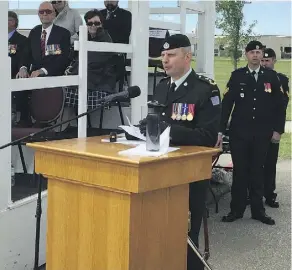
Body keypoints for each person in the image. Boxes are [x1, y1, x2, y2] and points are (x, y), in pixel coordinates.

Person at [137, 34, 221, 270]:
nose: (165, 60)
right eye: (163, 55)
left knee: (186, 240)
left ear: (187, 57)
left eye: (171, 55)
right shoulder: (162, 87)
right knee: (158, 236)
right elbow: (158, 120)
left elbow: (207, 137)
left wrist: (169, 130)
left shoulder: (206, 90)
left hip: (188, 175)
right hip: (159, 171)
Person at [217, 41, 286, 226]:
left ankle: (258, 211)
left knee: (258, 171)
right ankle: (236, 210)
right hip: (240, 133)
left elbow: (280, 106)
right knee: (240, 172)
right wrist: (220, 131)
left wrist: (278, 130)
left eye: (259, 52)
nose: (256, 55)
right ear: (246, 55)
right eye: (252, 52)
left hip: (262, 133)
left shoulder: (271, 76)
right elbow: (226, 106)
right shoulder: (237, 76)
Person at [64, 9, 116, 111]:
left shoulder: (105, 39)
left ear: (101, 24)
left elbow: (93, 63)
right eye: (90, 23)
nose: (93, 26)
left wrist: (71, 73)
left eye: (96, 23)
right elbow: (73, 57)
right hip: (86, 79)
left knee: (62, 92)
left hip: (99, 83)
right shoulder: (84, 37)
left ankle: (64, 125)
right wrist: (70, 68)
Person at [261, 48, 289, 208]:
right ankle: (253, 195)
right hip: (256, 129)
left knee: (270, 164)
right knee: (255, 164)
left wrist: (278, 131)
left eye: (268, 60)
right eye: (263, 61)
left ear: (274, 61)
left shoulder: (281, 80)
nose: (265, 63)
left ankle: (270, 195)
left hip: (272, 129)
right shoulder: (254, 77)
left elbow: (282, 107)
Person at [17, 1, 71, 78]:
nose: (45, 14)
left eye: (48, 11)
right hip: (33, 78)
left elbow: (64, 58)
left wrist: (44, 70)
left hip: (54, 78)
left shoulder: (63, 33)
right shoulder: (34, 31)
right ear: (38, 14)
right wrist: (23, 68)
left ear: (54, 14)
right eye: (41, 12)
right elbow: (26, 53)